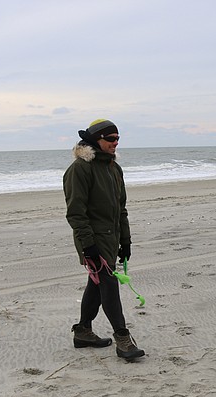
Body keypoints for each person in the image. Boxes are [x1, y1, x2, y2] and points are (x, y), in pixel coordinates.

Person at [63, 119, 145, 362]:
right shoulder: (80, 169)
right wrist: (88, 246)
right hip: (92, 239)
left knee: (97, 284)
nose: (115, 143)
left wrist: (126, 240)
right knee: (108, 284)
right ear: (95, 140)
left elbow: (121, 209)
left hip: (112, 237)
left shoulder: (113, 168)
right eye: (110, 139)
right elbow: (75, 214)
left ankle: (83, 332)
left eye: (118, 138)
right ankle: (123, 338)